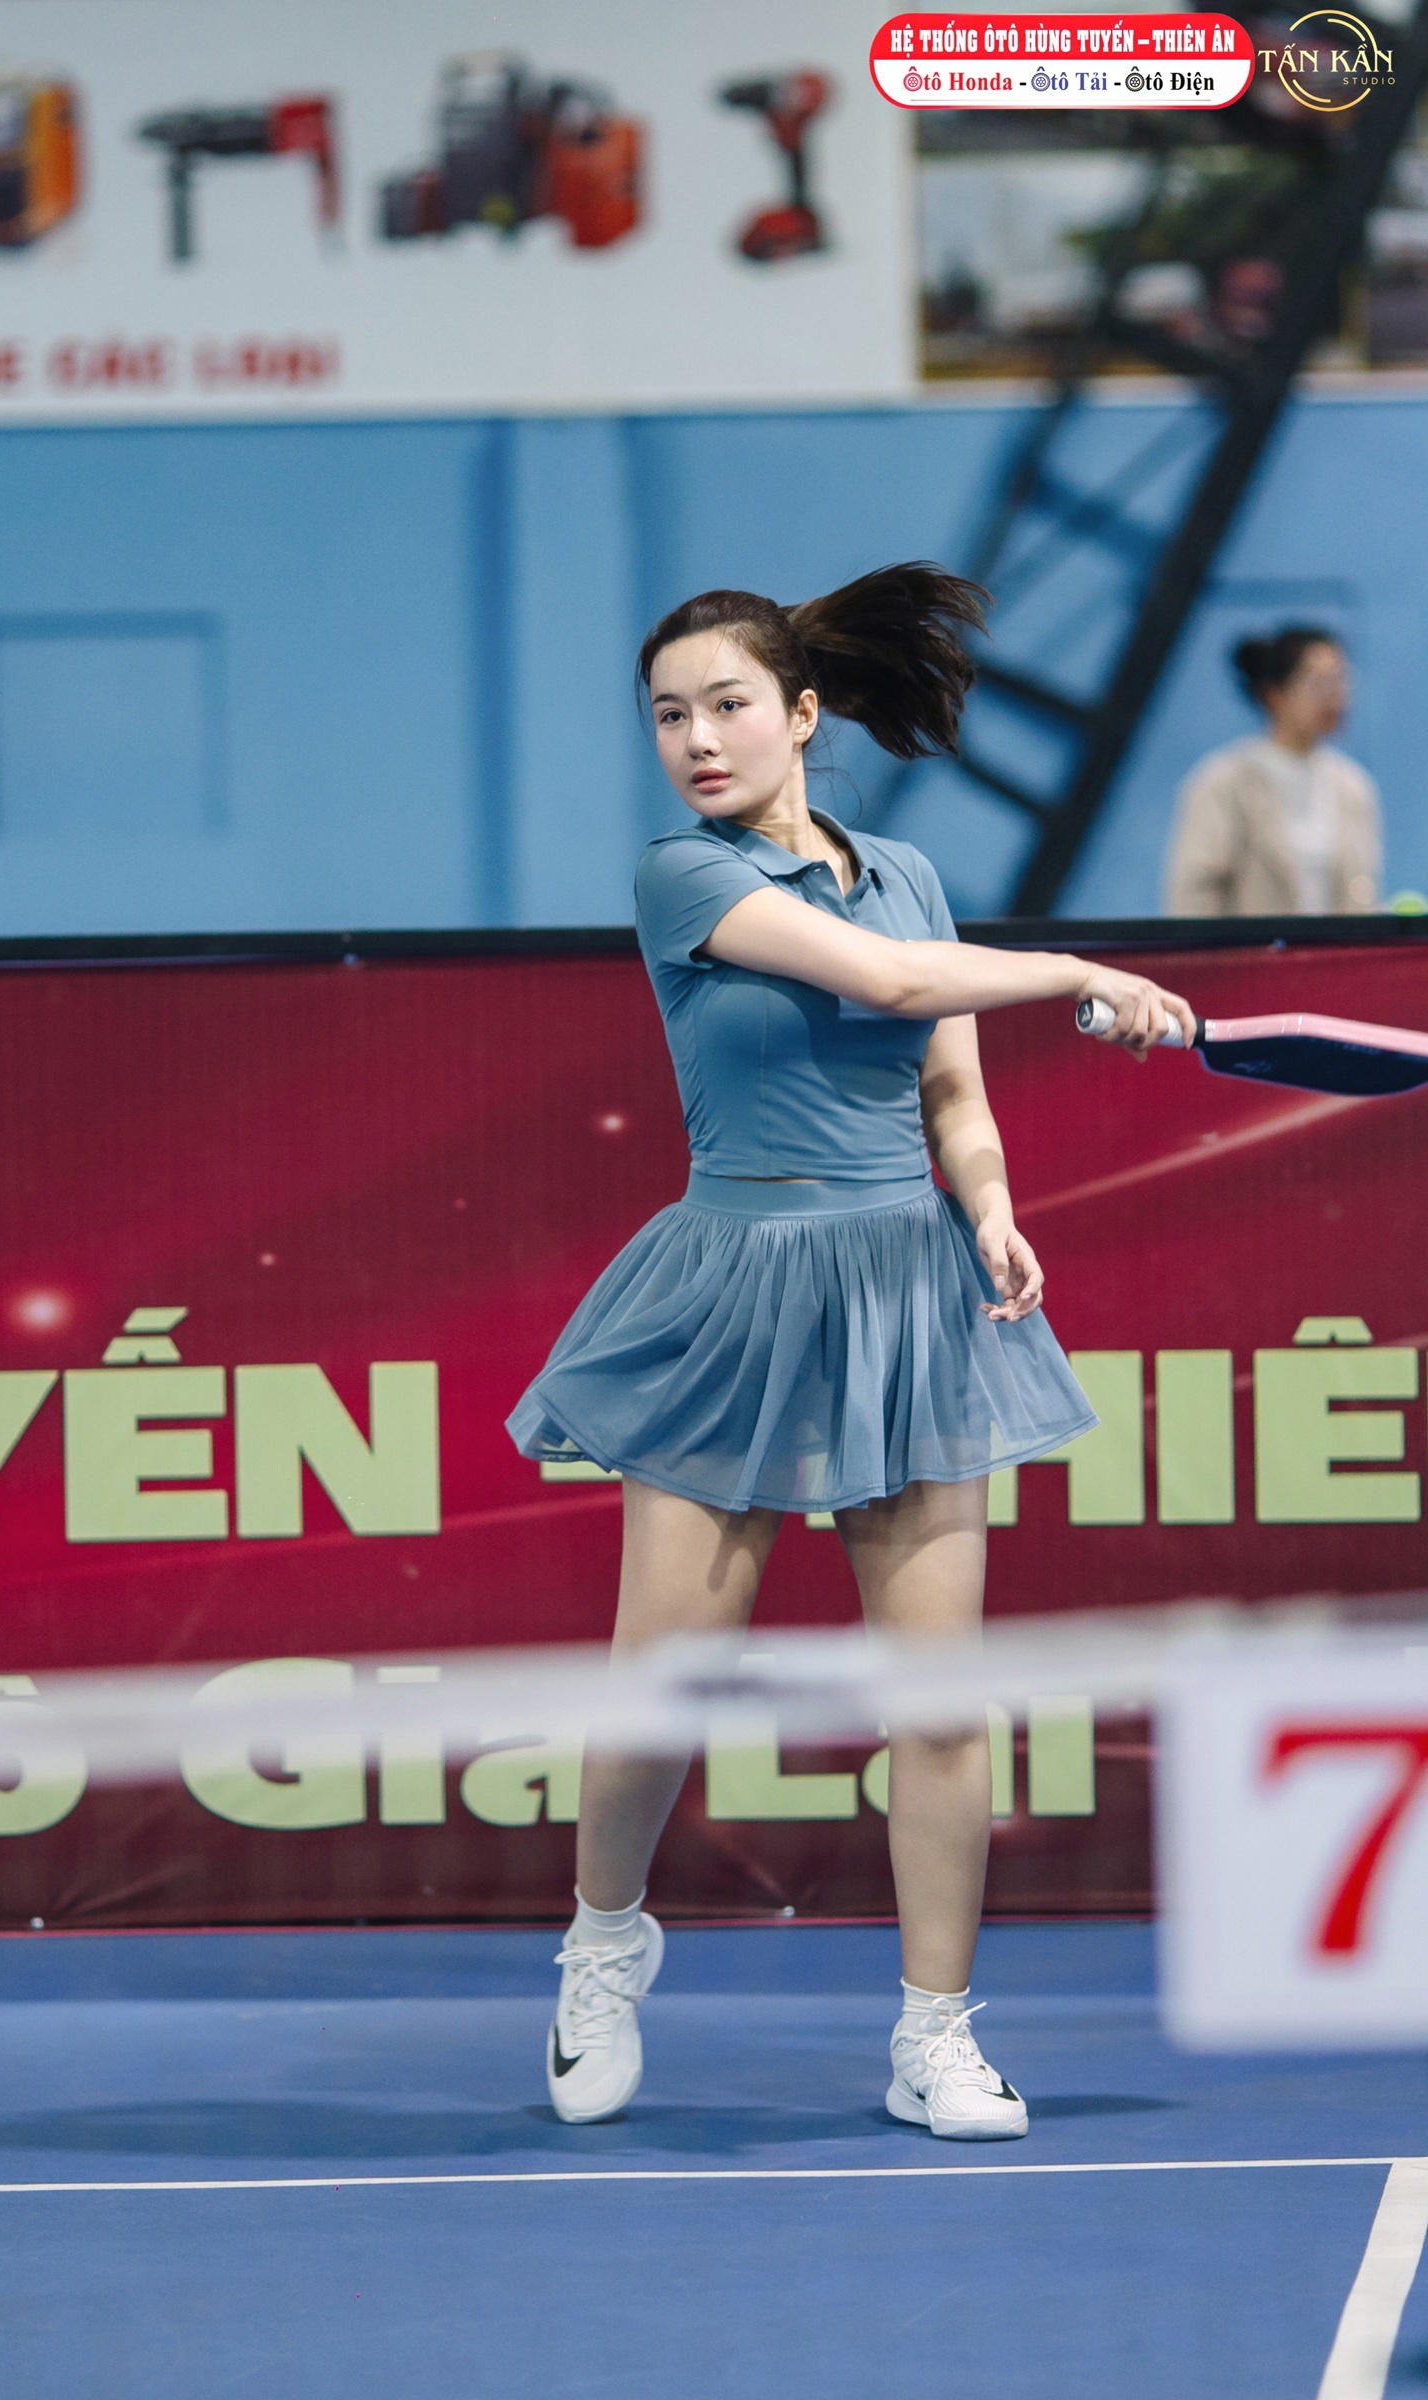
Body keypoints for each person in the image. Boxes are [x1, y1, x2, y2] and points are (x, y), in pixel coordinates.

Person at [507, 566, 1193, 2140]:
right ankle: (602, 1947)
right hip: (736, 1288)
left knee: (938, 1704)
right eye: (667, 715)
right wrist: (1077, 971)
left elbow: (947, 1085)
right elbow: (886, 984)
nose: (695, 739)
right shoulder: (682, 874)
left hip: (906, 1291)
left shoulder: (905, 873)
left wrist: (993, 1211)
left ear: (801, 714)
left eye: (725, 705)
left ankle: (931, 2034)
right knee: (665, 1683)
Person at [1164, 626, 1381, 916]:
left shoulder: (1353, 786)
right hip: (1251, 947)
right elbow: (1194, 896)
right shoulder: (1224, 782)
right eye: (1320, 684)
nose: (1335, 698)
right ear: (1274, 694)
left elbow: (1361, 899)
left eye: (1341, 682)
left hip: (1331, 947)